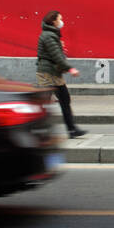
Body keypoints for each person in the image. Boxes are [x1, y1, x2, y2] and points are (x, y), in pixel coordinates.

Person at [37, 10, 87, 138]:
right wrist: (70, 69)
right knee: (59, 100)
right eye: (60, 19)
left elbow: (56, 54)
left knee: (58, 100)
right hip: (49, 73)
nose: (61, 22)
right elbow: (57, 56)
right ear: (54, 21)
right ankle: (68, 129)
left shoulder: (51, 34)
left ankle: (69, 129)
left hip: (52, 72)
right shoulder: (49, 36)